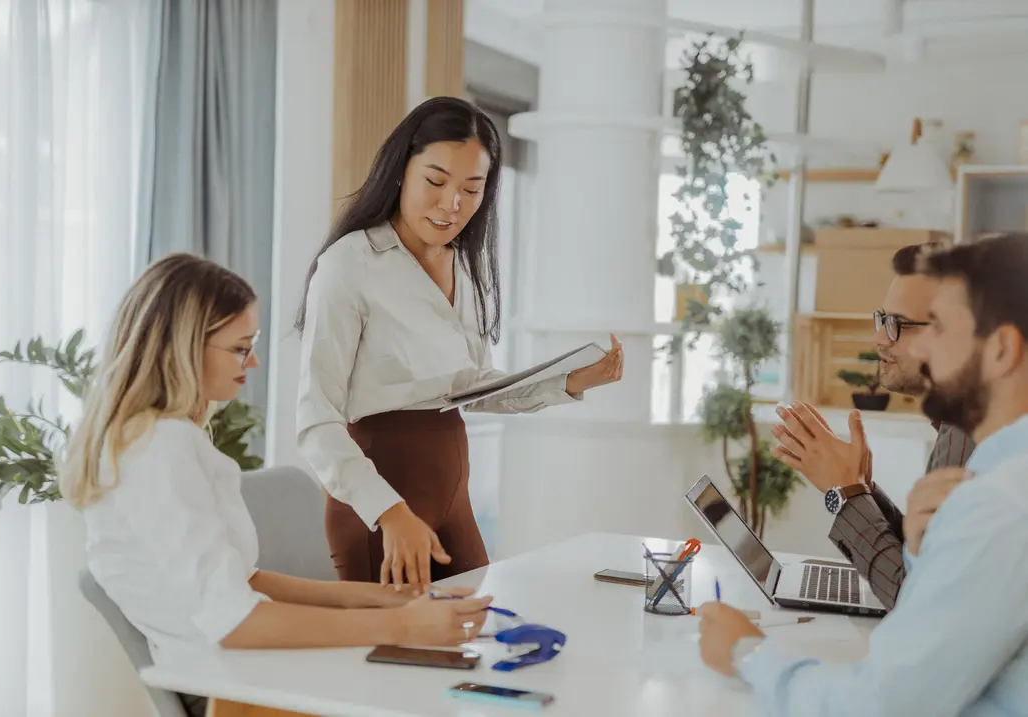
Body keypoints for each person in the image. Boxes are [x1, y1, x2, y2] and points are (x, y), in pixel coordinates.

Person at [60, 254, 491, 717]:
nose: (254, 360)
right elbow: (236, 621)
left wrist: (382, 600)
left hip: (252, 670)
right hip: (239, 691)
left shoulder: (159, 440)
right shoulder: (157, 450)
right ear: (184, 347)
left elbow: (245, 582)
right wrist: (399, 627)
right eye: (240, 348)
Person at [294, 96, 624, 586]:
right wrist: (388, 511)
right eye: (435, 181)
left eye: (472, 189)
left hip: (453, 495)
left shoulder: (464, 269)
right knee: (387, 658)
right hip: (382, 503)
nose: (453, 204)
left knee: (477, 638)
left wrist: (570, 380)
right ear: (401, 168)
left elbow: (471, 386)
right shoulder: (350, 265)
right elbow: (315, 421)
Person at [698, 233, 1028, 717]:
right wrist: (917, 547)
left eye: (938, 325)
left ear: (1000, 349)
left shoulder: (1000, 502)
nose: (923, 347)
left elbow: (881, 705)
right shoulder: (997, 477)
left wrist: (748, 653)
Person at [770, 242, 974, 609]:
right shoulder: (959, 426)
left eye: (896, 324)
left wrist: (844, 492)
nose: (879, 338)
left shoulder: (971, 433)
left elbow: (919, 599)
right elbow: (924, 559)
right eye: (882, 319)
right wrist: (861, 491)